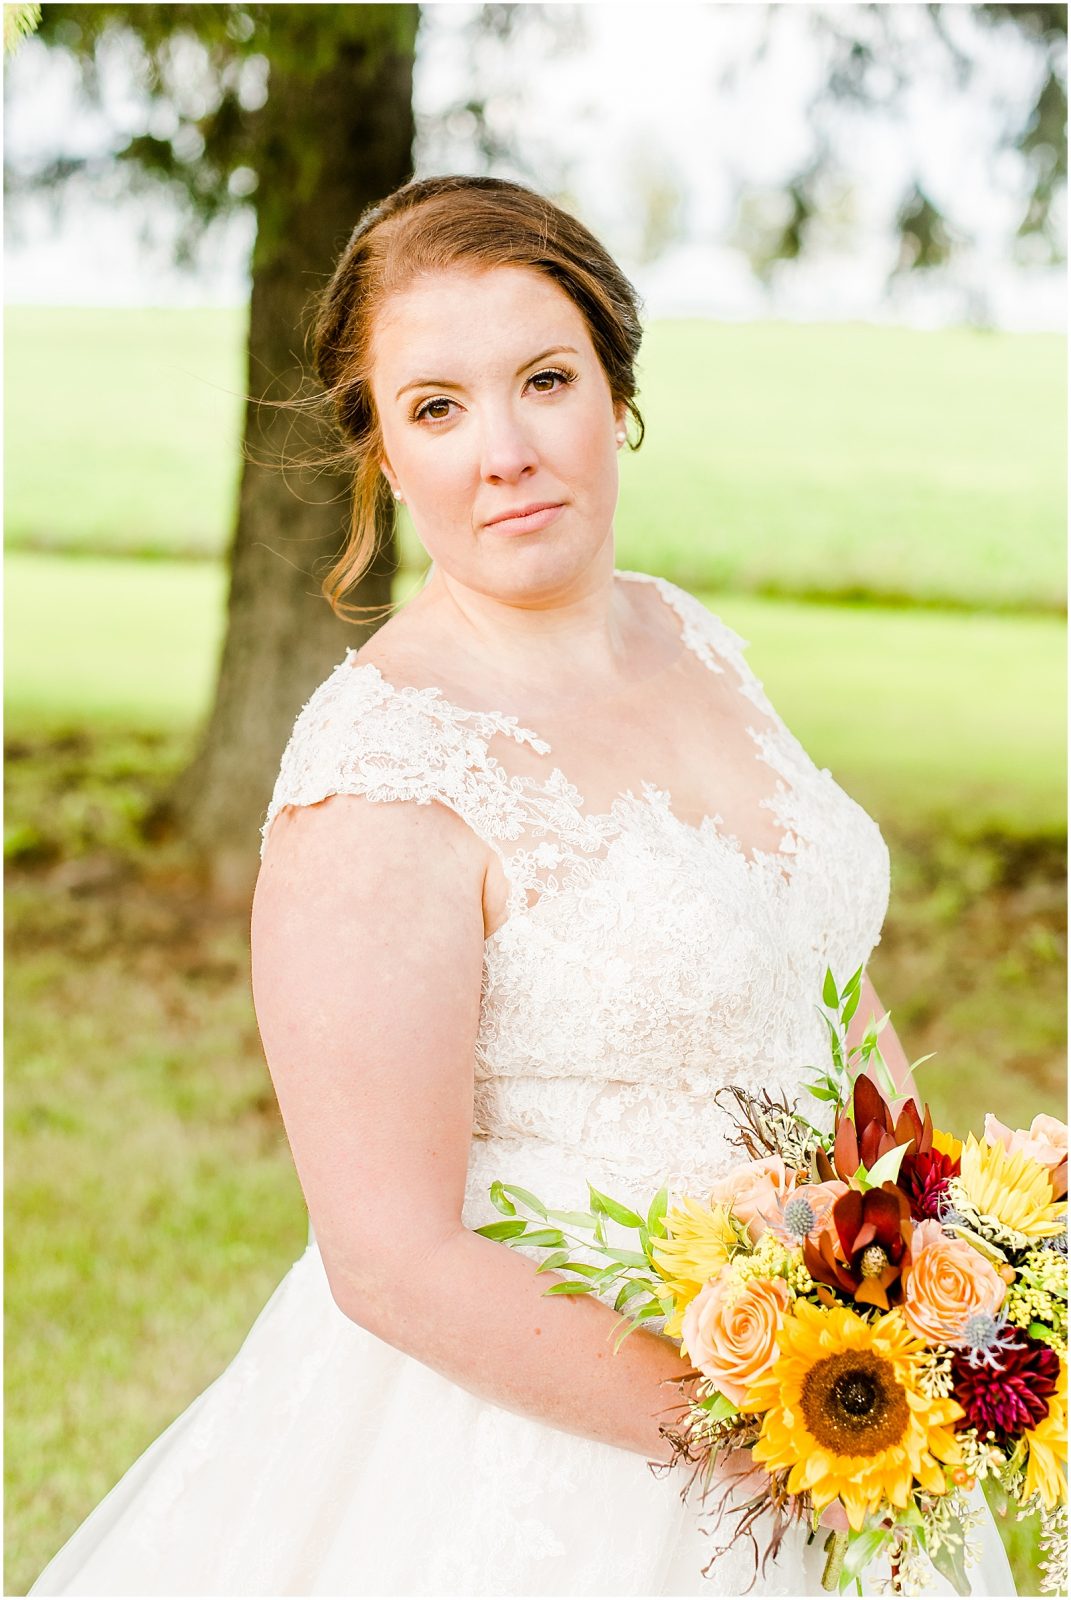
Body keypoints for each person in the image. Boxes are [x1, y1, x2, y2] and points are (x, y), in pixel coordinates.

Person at [28, 175, 1017, 1597]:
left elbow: (823, 984)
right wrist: (769, 1429)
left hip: (851, 1380)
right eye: (436, 407)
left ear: (615, 391)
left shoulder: (691, 637)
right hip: (575, 1454)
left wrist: (934, 1269)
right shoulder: (383, 772)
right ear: (383, 453)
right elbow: (392, 1256)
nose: (503, 450)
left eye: (543, 380)